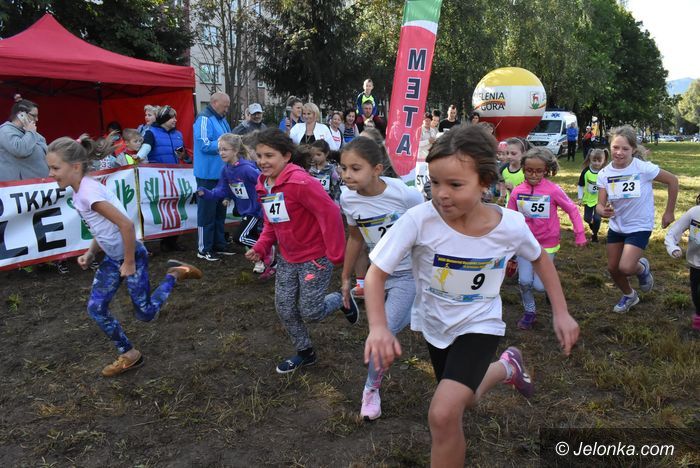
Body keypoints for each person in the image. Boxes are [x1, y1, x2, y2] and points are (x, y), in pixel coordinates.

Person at [363, 125, 579, 466]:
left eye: (455, 185)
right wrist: (378, 327)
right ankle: (507, 367)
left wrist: (561, 312)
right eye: (435, 182)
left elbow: (540, 259)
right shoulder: (419, 220)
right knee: (466, 398)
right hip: (436, 325)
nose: (441, 194)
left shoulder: (510, 225)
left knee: (443, 413)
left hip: (481, 324)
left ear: (485, 182)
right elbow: (376, 274)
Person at [45, 136, 202, 377]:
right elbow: (101, 228)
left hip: (132, 255)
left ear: (75, 167)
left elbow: (126, 225)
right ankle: (129, 354)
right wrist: (91, 252)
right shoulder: (80, 191)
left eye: (55, 168)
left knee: (146, 313)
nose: (50, 173)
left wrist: (129, 262)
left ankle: (175, 274)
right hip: (113, 257)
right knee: (96, 308)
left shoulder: (88, 193)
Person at [243, 128, 358, 373]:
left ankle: (342, 299)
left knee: (311, 312)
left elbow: (330, 213)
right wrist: (261, 246)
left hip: (315, 257)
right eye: (259, 156)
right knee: (284, 308)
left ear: (286, 156)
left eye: (269, 155)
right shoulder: (264, 184)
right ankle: (305, 352)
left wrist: (336, 253)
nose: (262, 161)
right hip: (287, 257)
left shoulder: (300, 182)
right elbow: (271, 223)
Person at [338, 136, 423, 420]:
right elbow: (355, 238)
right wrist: (346, 277)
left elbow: (428, 231)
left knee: (382, 332)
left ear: (376, 169)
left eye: (355, 168)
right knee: (385, 329)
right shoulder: (347, 197)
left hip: (407, 275)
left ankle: (370, 390)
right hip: (378, 274)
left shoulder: (405, 195)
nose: (347, 175)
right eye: (343, 168)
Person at [596, 125, 679, 313]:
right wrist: (602, 210)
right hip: (617, 226)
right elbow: (599, 204)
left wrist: (669, 212)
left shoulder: (643, 168)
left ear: (633, 149)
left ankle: (642, 268)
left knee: (626, 267)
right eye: (615, 147)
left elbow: (673, 180)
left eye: (625, 148)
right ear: (610, 146)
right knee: (613, 268)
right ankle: (629, 295)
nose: (619, 152)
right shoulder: (604, 174)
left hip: (640, 225)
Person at [507, 147, 586, 329]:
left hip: (547, 244)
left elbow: (572, 209)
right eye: (529, 170)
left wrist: (580, 234)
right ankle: (530, 312)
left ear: (547, 170)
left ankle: (551, 285)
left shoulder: (553, 190)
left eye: (539, 171)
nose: (533, 175)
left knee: (540, 286)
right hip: (525, 243)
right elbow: (510, 218)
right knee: (524, 282)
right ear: (523, 169)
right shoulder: (517, 192)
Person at [196, 133, 269, 274]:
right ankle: (262, 261)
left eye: (225, 149)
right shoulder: (226, 170)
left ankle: (266, 249)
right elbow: (222, 189)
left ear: (235, 151)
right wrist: (206, 193)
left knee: (240, 237)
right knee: (251, 236)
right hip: (245, 209)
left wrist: (263, 201)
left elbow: (264, 182)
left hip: (255, 210)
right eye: (219, 150)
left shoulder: (246, 168)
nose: (221, 153)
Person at [194, 92, 232, 262]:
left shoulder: (221, 120)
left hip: (221, 175)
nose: (227, 109)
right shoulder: (204, 118)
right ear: (215, 103)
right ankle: (204, 249)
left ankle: (219, 245)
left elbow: (229, 140)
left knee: (219, 212)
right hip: (207, 175)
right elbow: (204, 144)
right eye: (225, 106)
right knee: (207, 213)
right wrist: (226, 146)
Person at [664, 192, 700, 330]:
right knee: (697, 294)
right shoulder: (694, 212)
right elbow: (673, 232)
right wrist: (672, 247)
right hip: (696, 263)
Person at [0, 99, 48, 182]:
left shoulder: (34, 133)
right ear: (21, 115)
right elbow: (20, 150)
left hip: (40, 184)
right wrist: (30, 132)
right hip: (19, 186)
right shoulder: (5, 131)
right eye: (33, 115)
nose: (37, 119)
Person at [577, 148, 608, 242]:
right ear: (590, 159)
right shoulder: (586, 171)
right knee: (587, 218)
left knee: (597, 218)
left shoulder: (605, 172)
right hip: (588, 199)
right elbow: (580, 185)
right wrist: (580, 198)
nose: (596, 163)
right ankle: (592, 225)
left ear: (603, 160)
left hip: (600, 200)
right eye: (594, 160)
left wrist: (609, 199)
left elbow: (609, 186)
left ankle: (594, 235)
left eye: (599, 161)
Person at [497, 137, 528, 206]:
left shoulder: (528, 170)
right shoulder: (503, 169)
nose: (509, 156)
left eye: (513, 153)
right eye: (507, 153)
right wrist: (502, 196)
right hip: (510, 206)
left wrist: (513, 190)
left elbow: (532, 193)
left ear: (523, 154)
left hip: (525, 207)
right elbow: (502, 184)